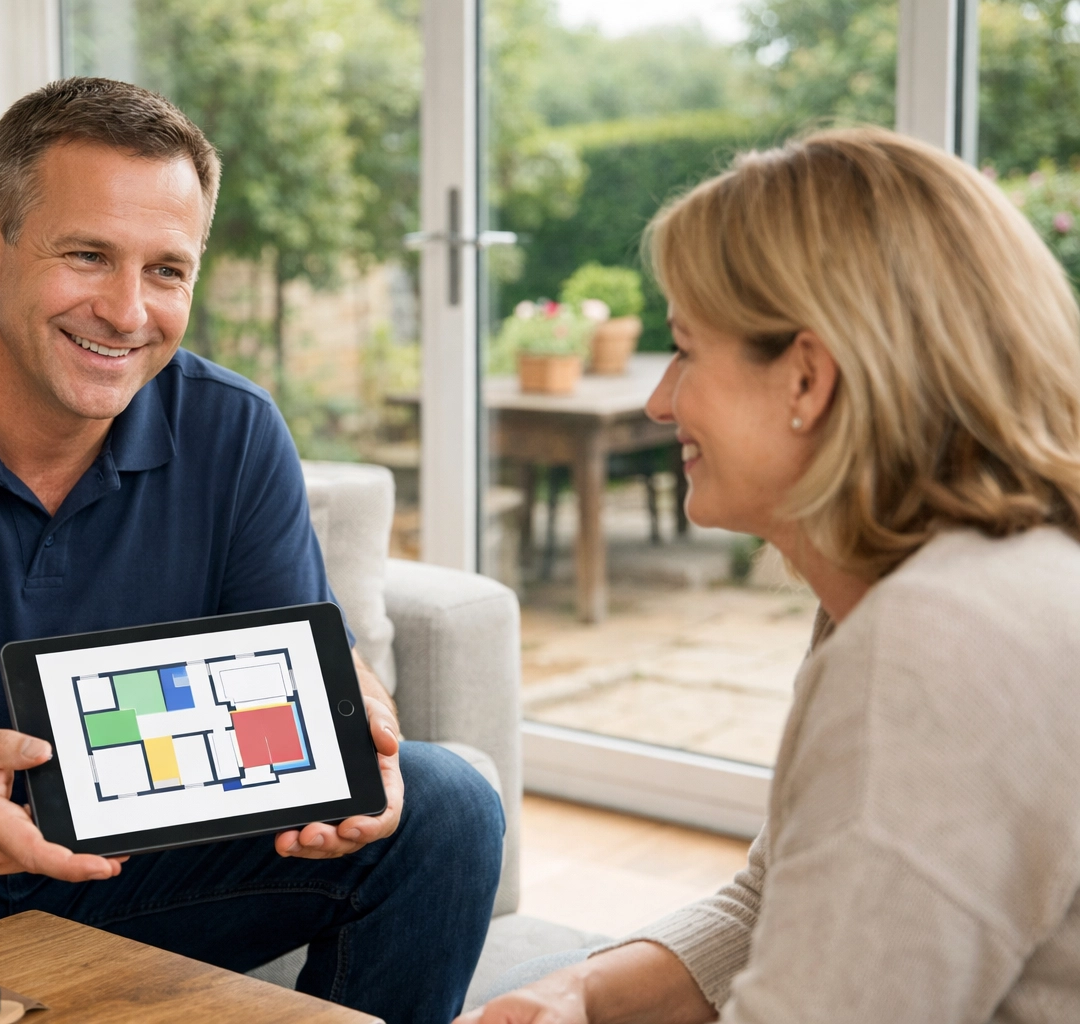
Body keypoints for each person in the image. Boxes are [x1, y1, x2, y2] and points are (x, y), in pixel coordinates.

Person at [0, 77, 503, 1024]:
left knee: (446, 805)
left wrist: (366, 730)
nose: (126, 310)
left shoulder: (234, 431)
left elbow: (317, 664)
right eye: (87, 255)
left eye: (166, 270)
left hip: (141, 877)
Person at [461, 126, 1080, 1024]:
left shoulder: (939, 643)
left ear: (806, 380)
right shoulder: (926, 581)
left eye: (686, 349)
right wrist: (579, 990)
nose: (660, 399)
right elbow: (777, 896)